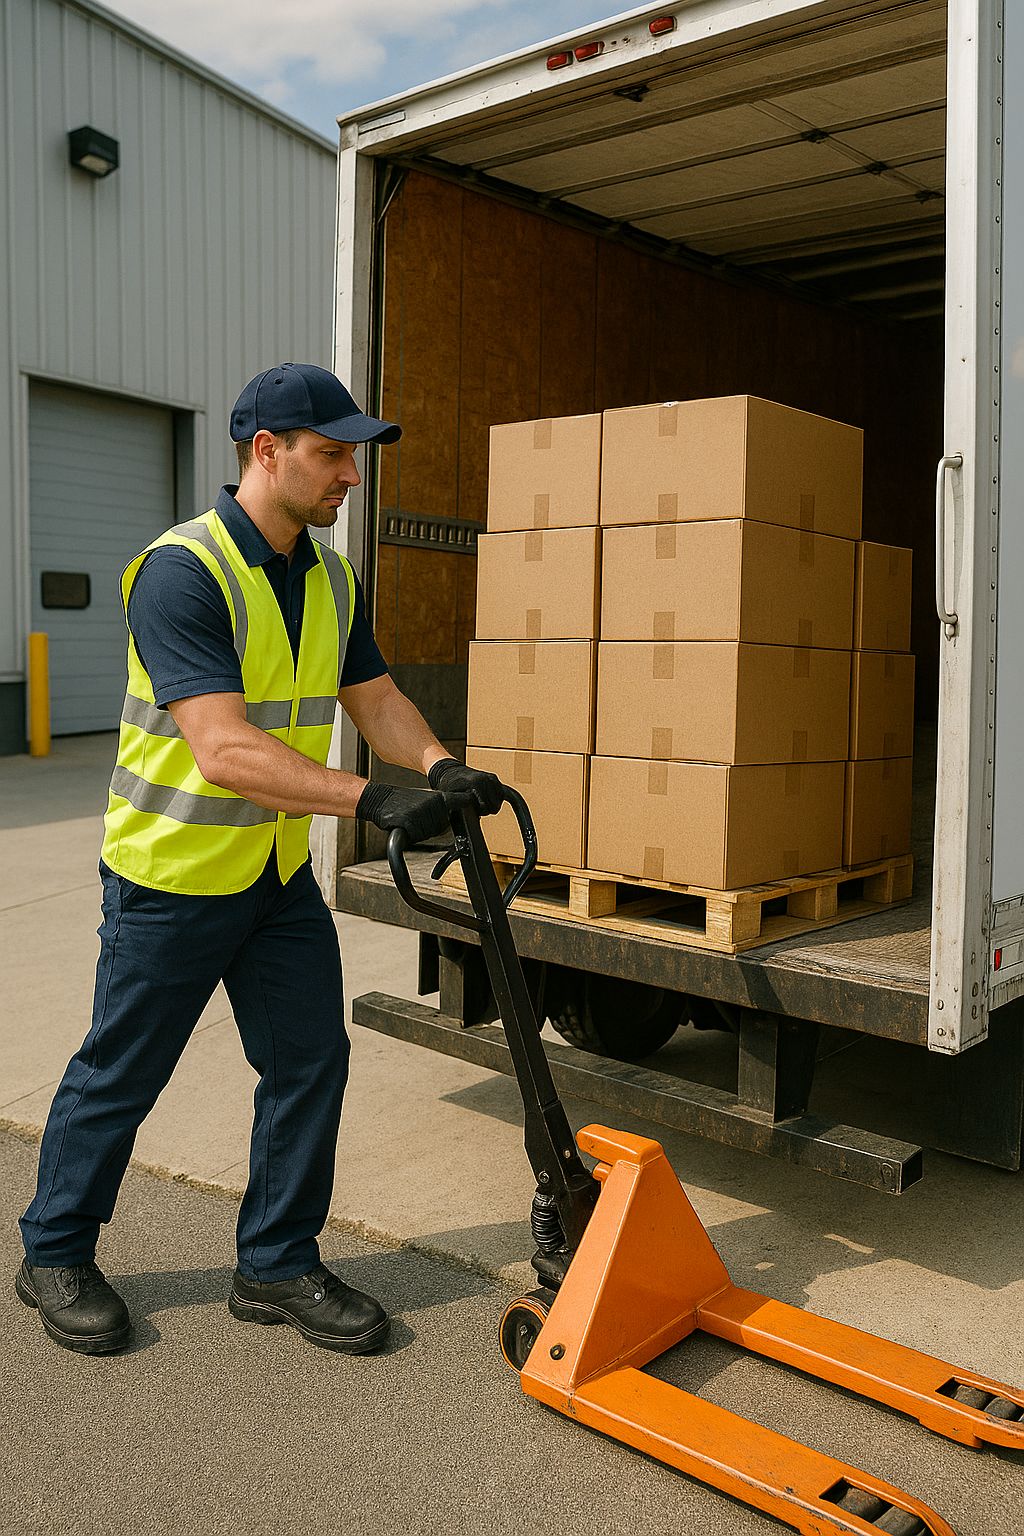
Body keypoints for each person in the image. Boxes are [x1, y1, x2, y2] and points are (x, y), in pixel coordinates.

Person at [17, 362, 503, 1357]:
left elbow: (373, 698)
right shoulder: (181, 572)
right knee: (123, 1071)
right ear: (267, 452)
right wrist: (372, 798)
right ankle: (54, 1251)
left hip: (274, 879)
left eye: (353, 457)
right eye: (331, 456)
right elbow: (223, 749)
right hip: (170, 877)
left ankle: (276, 1262)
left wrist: (440, 766)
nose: (350, 477)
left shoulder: (329, 577)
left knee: (308, 1061)